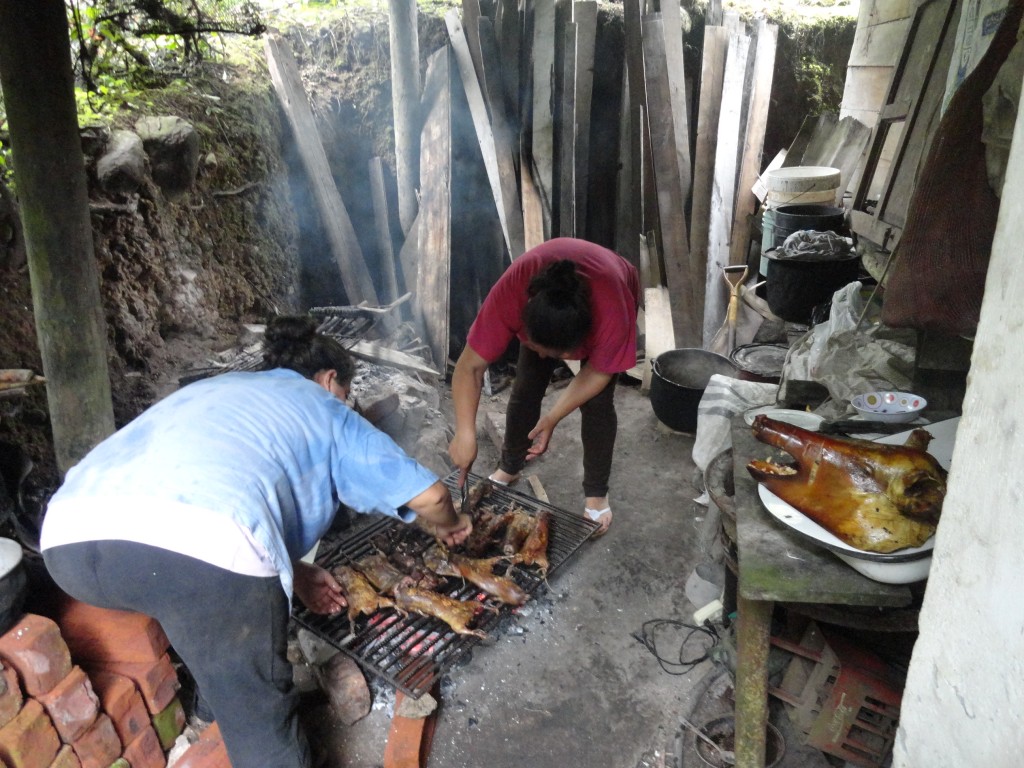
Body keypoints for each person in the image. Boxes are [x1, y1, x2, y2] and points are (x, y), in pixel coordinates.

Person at [40, 315, 472, 768]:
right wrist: (447, 523)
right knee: (262, 718)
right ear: (329, 380)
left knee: (202, 612)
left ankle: (209, 715)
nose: (346, 403)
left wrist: (296, 570)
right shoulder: (321, 405)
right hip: (195, 547)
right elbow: (432, 494)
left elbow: (221, 479)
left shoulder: (221, 389)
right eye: (346, 394)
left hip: (69, 539)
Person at [448, 238, 640, 536]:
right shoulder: (513, 292)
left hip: (611, 282)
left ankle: (596, 494)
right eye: (534, 345)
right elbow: (468, 367)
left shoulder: (612, 311)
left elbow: (598, 372)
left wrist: (552, 418)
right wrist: (465, 432)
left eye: (552, 355)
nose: (542, 356)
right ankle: (509, 466)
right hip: (544, 296)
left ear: (576, 348)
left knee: (598, 405)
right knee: (526, 384)